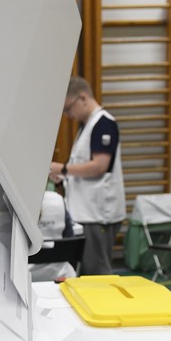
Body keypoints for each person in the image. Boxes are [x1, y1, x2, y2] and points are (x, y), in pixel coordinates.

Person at [49, 76, 125, 275]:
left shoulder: (104, 124)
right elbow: (82, 165)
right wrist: (64, 177)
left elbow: (100, 166)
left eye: (68, 108)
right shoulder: (87, 126)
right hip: (85, 211)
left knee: (97, 273)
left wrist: (63, 169)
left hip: (97, 214)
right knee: (87, 272)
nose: (68, 114)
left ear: (83, 98)